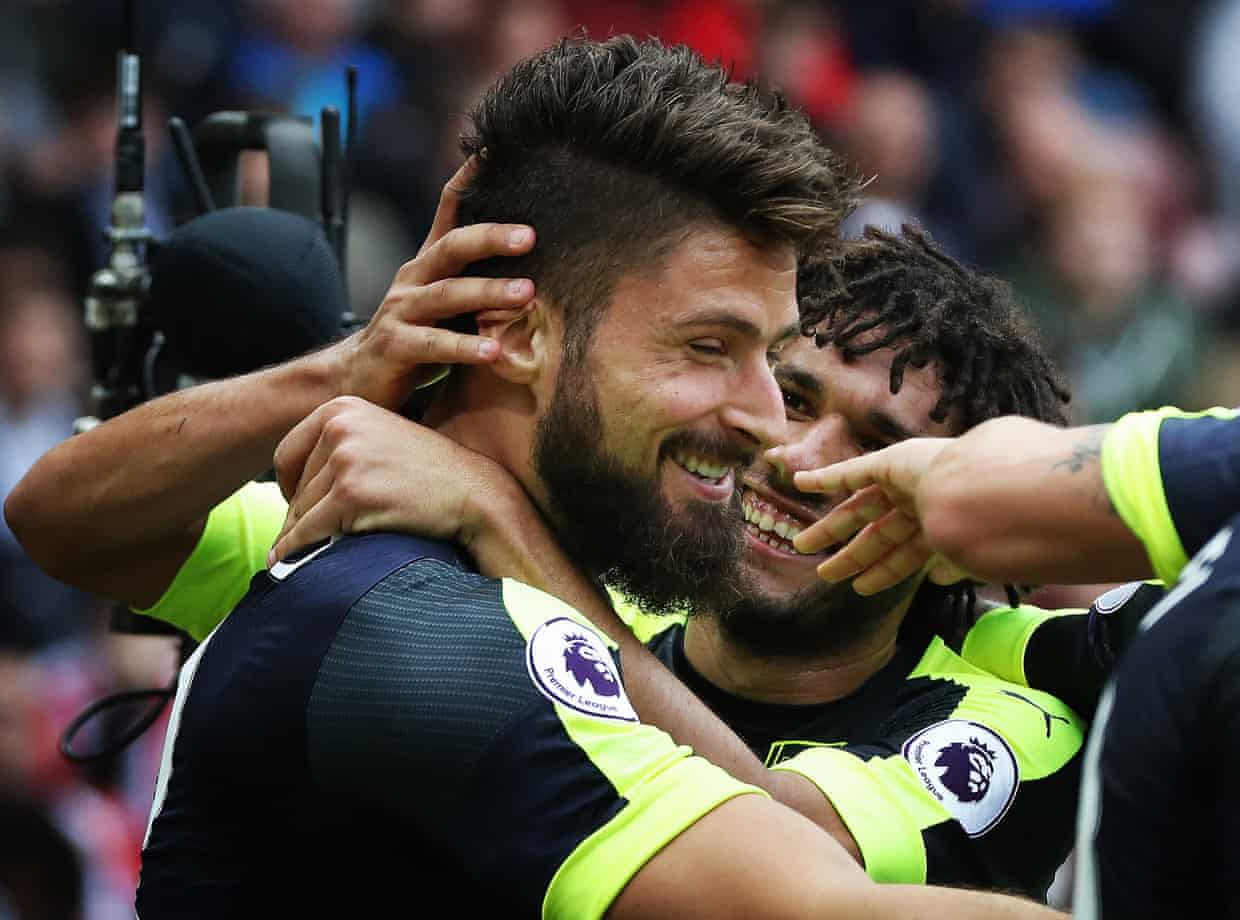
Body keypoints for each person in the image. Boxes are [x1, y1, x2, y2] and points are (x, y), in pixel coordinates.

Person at [11, 36, 1066, 918]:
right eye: (710, 348)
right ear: (516, 332)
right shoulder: (434, 632)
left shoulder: (517, 549)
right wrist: (351, 366)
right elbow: (60, 517)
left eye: (768, 358)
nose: (771, 433)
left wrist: (495, 512)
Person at [793, 404, 1240, 918]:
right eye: (794, 402)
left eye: (876, 445)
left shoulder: (1018, 715)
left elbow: (771, 851)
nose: (800, 461)